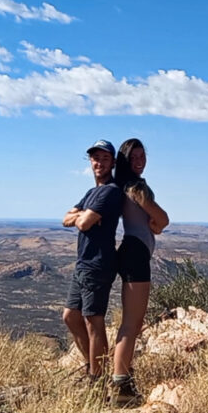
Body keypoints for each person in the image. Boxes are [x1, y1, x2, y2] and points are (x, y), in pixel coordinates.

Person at [110, 138, 169, 404]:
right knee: (131, 324)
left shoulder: (124, 185)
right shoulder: (135, 187)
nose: (139, 161)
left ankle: (121, 374)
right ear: (124, 159)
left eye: (142, 155)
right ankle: (121, 386)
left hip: (132, 251)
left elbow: (152, 223)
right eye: (133, 156)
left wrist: (154, 225)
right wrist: (157, 224)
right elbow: (163, 219)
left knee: (131, 322)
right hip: (135, 254)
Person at [62, 139, 124, 381]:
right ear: (90, 161)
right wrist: (81, 215)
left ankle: (97, 378)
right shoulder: (92, 192)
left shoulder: (110, 191)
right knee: (70, 316)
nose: (99, 162)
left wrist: (82, 217)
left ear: (113, 162)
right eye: (95, 158)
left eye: (105, 158)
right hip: (83, 263)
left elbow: (82, 223)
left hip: (98, 264)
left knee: (93, 321)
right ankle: (92, 366)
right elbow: (66, 219)